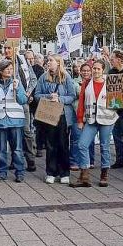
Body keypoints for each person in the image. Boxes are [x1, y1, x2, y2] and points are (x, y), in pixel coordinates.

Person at [72, 59, 118, 188]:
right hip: (91, 119)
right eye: (94, 68)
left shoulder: (110, 83)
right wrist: (80, 120)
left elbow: (118, 101)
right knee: (82, 144)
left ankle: (104, 174)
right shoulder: (86, 83)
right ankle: (84, 174)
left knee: (104, 146)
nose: (96, 71)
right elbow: (81, 102)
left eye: (98, 69)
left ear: (103, 70)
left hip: (107, 119)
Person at [33, 55, 78, 184]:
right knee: (50, 144)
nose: (48, 63)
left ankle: (64, 172)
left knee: (63, 144)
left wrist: (60, 99)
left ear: (58, 63)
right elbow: (37, 95)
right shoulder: (43, 77)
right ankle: (51, 172)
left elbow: (72, 96)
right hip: (49, 114)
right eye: (47, 61)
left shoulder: (66, 77)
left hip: (63, 115)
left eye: (51, 61)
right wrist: (48, 96)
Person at [0, 60, 28, 182]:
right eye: (7, 69)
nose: (10, 71)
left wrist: (17, 90)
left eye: (11, 69)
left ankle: (20, 172)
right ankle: (1, 172)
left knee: (18, 149)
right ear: (1, 71)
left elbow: (23, 100)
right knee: (1, 149)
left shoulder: (17, 83)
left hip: (15, 120)